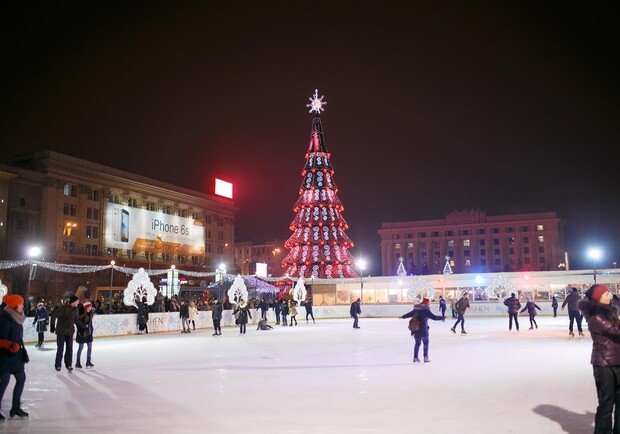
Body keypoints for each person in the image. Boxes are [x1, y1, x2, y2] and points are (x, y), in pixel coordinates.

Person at [579, 284, 620, 433]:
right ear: (597, 298)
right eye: (606, 294)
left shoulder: (611, 313)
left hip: (618, 362)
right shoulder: (595, 318)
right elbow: (616, 331)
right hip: (604, 365)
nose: (609, 296)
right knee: (606, 403)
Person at [0, 294, 29, 419]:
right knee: (4, 382)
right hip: (5, 356)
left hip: (16, 356)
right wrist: (10, 345)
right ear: (15, 305)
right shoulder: (4, 319)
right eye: (21, 303)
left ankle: (15, 408)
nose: (23, 305)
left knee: (21, 379)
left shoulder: (18, 317)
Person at [400, 298, 445, 363]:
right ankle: (425, 357)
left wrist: (402, 317)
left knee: (417, 344)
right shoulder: (426, 310)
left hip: (416, 330)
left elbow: (408, 314)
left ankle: (415, 357)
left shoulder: (415, 310)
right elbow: (434, 318)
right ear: (427, 304)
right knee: (426, 343)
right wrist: (442, 317)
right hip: (424, 330)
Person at [50, 295, 79, 372]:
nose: (78, 303)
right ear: (72, 302)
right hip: (61, 332)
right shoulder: (63, 308)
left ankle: (69, 364)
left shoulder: (75, 310)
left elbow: (76, 320)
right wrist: (52, 326)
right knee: (60, 349)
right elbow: (53, 316)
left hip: (70, 332)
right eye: (76, 301)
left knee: (69, 349)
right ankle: (58, 365)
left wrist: (82, 328)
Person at [75, 300, 94, 368]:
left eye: (90, 307)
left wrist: (91, 330)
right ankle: (78, 362)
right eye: (88, 307)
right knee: (81, 347)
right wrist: (83, 326)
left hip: (89, 332)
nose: (90, 308)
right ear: (85, 308)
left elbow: (90, 323)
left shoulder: (91, 313)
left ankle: (88, 361)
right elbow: (78, 322)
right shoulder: (81, 313)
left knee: (90, 347)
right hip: (82, 333)